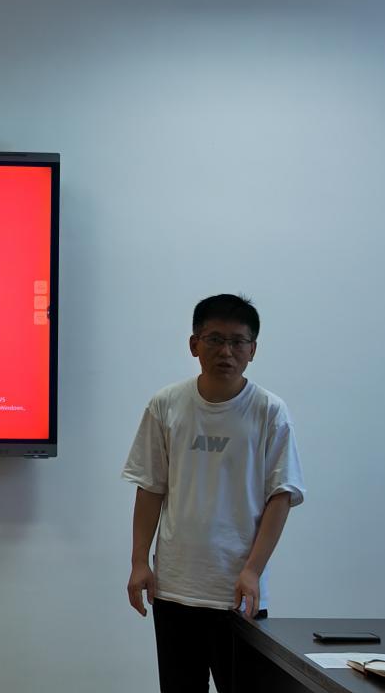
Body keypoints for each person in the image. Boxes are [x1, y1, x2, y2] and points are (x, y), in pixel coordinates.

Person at [122, 294, 305, 693]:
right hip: (174, 589)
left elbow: (281, 496)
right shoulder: (166, 405)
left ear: (253, 350)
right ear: (194, 344)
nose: (226, 351)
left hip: (238, 592)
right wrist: (139, 561)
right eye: (215, 339)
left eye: (238, 342)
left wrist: (253, 570)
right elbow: (150, 486)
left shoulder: (269, 411)